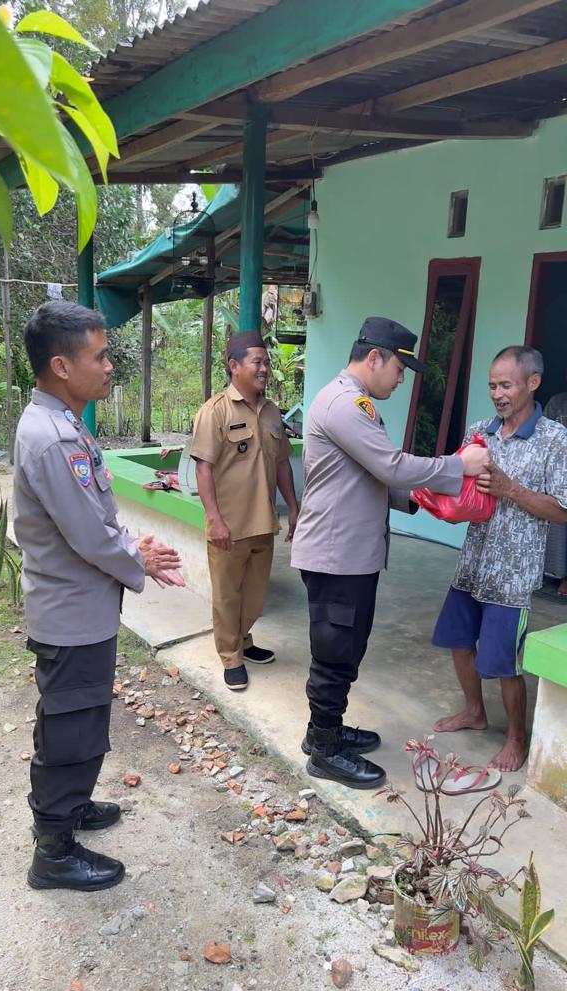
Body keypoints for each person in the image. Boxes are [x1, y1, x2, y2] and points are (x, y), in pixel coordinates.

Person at [14, 301, 185, 892]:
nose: (111, 365)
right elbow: (88, 534)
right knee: (72, 723)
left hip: (78, 603)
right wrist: (140, 557)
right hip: (72, 613)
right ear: (61, 365)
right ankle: (54, 850)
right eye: (101, 356)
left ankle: (71, 804)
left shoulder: (62, 421)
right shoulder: (53, 437)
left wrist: (125, 544)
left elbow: (86, 520)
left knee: (76, 715)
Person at [290, 316, 489, 789]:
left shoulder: (357, 405)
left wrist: (420, 499)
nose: (402, 380)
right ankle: (323, 749)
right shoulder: (344, 403)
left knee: (348, 647)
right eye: (400, 369)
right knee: (335, 653)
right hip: (336, 556)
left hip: (352, 553)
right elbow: (389, 464)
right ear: (374, 357)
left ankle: (328, 729)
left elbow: (372, 475)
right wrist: (457, 467)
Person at [433, 346, 567, 772]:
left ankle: (516, 737)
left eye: (506, 384)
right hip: (472, 564)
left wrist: (511, 489)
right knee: (458, 643)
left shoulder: (554, 439)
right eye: (492, 385)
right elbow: (457, 482)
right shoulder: (480, 431)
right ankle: (474, 712)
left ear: (533, 383)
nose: (497, 393)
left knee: (505, 663)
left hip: (513, 575)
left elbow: (562, 510)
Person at [190, 330, 299, 691]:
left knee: (254, 595)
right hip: (229, 526)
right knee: (226, 595)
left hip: (263, 521)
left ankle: (243, 639)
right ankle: (230, 655)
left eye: (267, 362)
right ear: (234, 366)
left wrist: (294, 510)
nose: (265, 368)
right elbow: (203, 467)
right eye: (258, 361)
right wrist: (214, 519)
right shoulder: (214, 411)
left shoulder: (271, 412)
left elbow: (282, 463)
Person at [543, 380, 567, 597]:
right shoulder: (557, 403)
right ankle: (559, 574)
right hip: (560, 472)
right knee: (557, 524)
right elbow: (543, 437)